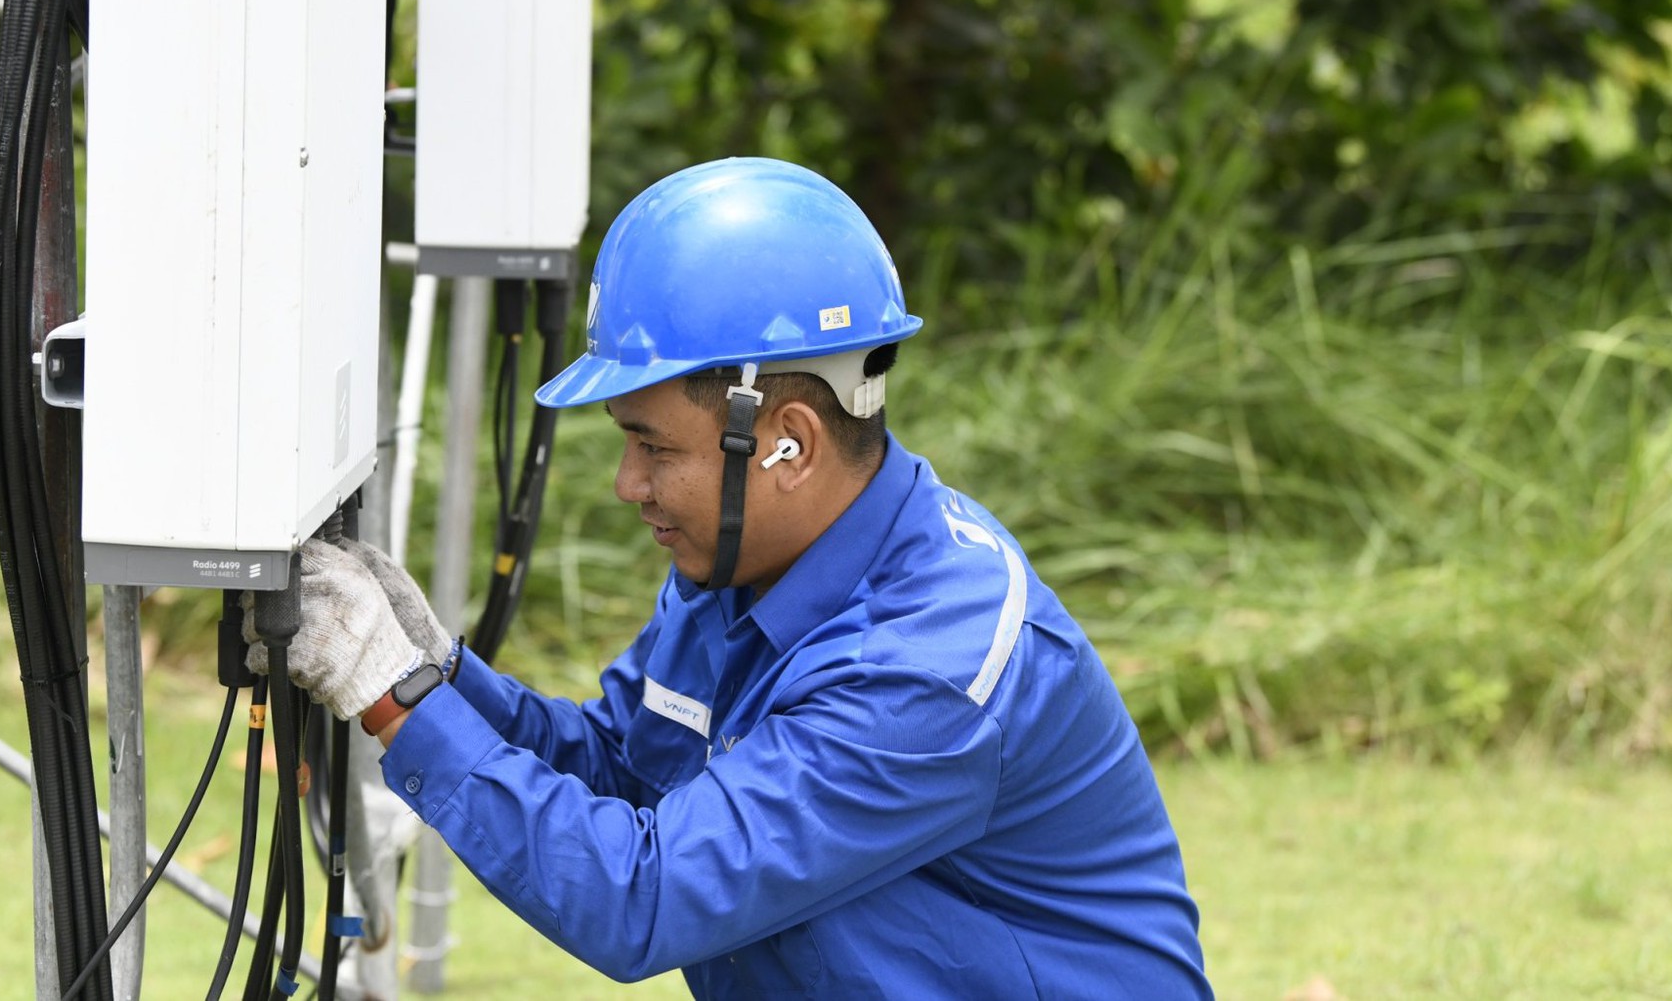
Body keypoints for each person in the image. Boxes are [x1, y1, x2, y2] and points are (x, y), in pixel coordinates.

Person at [252, 158, 1213, 997]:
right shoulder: (745, 564)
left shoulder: (927, 665)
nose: (629, 484)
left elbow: (644, 895)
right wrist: (442, 674)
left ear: (785, 439)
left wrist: (393, 697)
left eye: (650, 444)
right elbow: (627, 769)